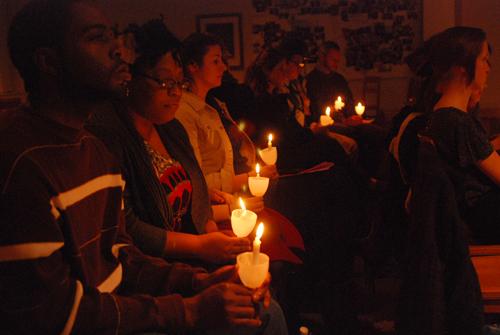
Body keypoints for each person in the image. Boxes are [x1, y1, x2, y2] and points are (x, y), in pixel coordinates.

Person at [0, 1, 286, 334]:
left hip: (121, 309)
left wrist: (200, 281)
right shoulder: (20, 161)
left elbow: (121, 256)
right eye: (97, 38)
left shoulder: (92, 151)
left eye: (115, 37)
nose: (119, 51)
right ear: (48, 61)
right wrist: (189, 311)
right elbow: (50, 315)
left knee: (259, 308)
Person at [87, 19, 251, 266]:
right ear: (129, 78)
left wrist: (211, 233)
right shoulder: (110, 138)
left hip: (196, 254)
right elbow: (127, 225)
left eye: (179, 82)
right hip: (158, 269)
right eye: (165, 82)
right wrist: (199, 247)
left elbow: (195, 188)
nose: (176, 93)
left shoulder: (171, 128)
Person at [413, 26, 499, 244]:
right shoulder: (456, 121)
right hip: (483, 217)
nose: (488, 68)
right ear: (463, 68)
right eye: (483, 60)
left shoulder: (442, 115)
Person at [306, 41, 355, 122]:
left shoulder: (340, 80)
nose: (336, 64)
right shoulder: (310, 81)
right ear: (322, 56)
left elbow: (349, 102)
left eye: (337, 61)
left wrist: (351, 115)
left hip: (345, 123)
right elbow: (312, 111)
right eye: (333, 60)